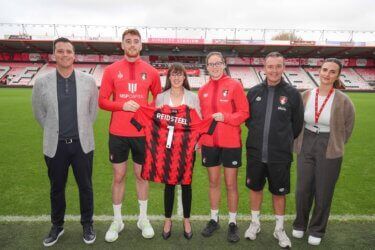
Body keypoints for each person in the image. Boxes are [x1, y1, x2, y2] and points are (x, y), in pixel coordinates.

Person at [32, 37, 98, 246]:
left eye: (68, 51)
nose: (64, 55)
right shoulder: (42, 81)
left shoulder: (88, 81)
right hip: (56, 145)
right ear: (54, 55)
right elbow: (39, 113)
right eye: (60, 51)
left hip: (82, 144)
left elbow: (92, 112)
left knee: (85, 187)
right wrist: (54, 130)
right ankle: (57, 226)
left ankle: (87, 224)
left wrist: (80, 130)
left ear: (74, 55)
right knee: (56, 188)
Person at [99, 28, 161, 242]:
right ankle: (118, 220)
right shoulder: (111, 70)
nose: (132, 45)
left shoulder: (151, 71)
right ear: (122, 45)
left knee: (142, 176)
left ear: (141, 45)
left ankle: (143, 218)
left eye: (136, 41)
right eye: (128, 41)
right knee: (118, 176)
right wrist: (122, 105)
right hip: (118, 132)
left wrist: (146, 109)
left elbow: (159, 100)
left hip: (142, 133)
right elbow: (103, 100)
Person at [292, 58, 355, 246]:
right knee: (303, 188)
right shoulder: (306, 95)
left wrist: (336, 143)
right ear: (319, 71)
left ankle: (317, 229)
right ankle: (300, 224)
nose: (327, 74)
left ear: (337, 75)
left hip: (329, 144)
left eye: (332, 72)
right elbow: (297, 121)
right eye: (325, 70)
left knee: (324, 190)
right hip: (307, 141)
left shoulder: (343, 100)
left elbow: (348, 126)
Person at [245, 52, 304, 248]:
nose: (274, 70)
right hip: (255, 152)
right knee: (255, 188)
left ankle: (279, 229)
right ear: (264, 68)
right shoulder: (253, 92)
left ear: (284, 67)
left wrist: (280, 140)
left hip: (280, 155)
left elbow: (296, 126)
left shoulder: (293, 94)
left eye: (278, 66)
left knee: (279, 193)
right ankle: (255, 224)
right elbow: (248, 121)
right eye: (270, 66)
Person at [198, 52, 249, 243]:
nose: (215, 67)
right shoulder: (203, 90)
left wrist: (226, 118)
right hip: (209, 144)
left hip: (231, 143)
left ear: (224, 64)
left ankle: (233, 222)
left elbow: (244, 113)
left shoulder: (234, 85)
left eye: (218, 63)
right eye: (211, 64)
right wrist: (200, 138)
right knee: (213, 182)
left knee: (230, 184)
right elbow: (202, 119)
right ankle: (214, 219)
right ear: (207, 67)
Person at [154, 63, 201, 240]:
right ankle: (168, 220)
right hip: (166, 149)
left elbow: (198, 121)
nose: (176, 77)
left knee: (187, 183)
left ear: (184, 77)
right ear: (169, 77)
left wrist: (198, 141)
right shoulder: (161, 97)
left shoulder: (192, 97)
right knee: (169, 184)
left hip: (187, 149)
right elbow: (155, 122)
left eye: (180, 74)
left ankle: (186, 220)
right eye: (173, 74)